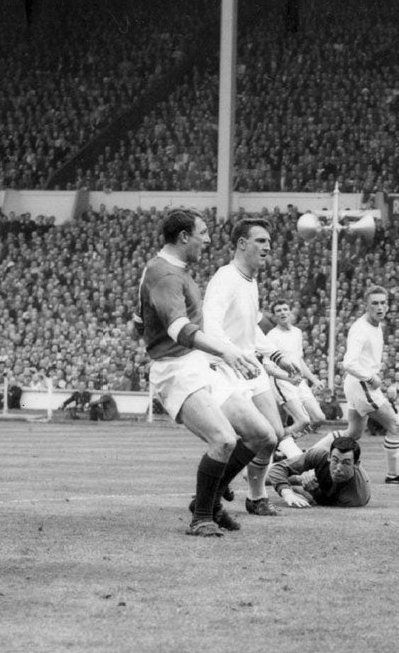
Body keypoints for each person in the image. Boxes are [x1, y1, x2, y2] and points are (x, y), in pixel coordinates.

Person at [136, 208, 278, 537]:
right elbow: (178, 329)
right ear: (184, 236)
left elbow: (139, 322)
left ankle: (210, 502)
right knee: (224, 439)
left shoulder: (173, 271)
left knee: (264, 435)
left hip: (197, 362)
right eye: (203, 233)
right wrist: (225, 350)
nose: (209, 239)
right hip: (176, 369)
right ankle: (202, 516)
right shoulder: (166, 275)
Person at [201, 219, 290, 517]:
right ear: (241, 243)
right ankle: (236, 492)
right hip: (229, 367)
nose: (268, 247)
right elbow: (210, 326)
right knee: (260, 435)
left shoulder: (250, 280)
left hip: (251, 365)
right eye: (261, 241)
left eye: (269, 242)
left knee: (274, 434)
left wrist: (276, 355)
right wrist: (232, 355)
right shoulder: (225, 278)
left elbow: (251, 328)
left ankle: (249, 494)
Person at [341, 285, 399, 484]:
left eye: (383, 303)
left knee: (352, 434)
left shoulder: (376, 326)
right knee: (395, 424)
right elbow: (349, 362)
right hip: (362, 384)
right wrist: (370, 377)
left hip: (357, 384)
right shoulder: (360, 329)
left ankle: (309, 457)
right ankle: (393, 476)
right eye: (375, 303)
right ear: (366, 305)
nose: (380, 307)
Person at [263, 298, 329, 439]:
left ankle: (284, 443)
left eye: (285, 309)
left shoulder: (297, 332)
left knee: (318, 418)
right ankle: (280, 446)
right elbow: (268, 367)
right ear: (274, 317)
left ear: (290, 313)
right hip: (281, 382)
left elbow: (299, 360)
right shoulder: (272, 336)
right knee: (303, 421)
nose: (282, 313)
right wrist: (288, 378)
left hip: (299, 381)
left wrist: (313, 379)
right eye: (278, 311)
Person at [266, 432, 371, 508]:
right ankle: (286, 443)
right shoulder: (321, 455)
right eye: (335, 461)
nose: (338, 468)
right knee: (259, 477)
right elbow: (277, 469)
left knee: (292, 483)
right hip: (315, 476)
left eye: (346, 463)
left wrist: (312, 491)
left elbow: (324, 503)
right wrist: (287, 493)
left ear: (356, 464)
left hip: (324, 489)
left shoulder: (355, 497)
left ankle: (287, 444)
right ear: (329, 457)